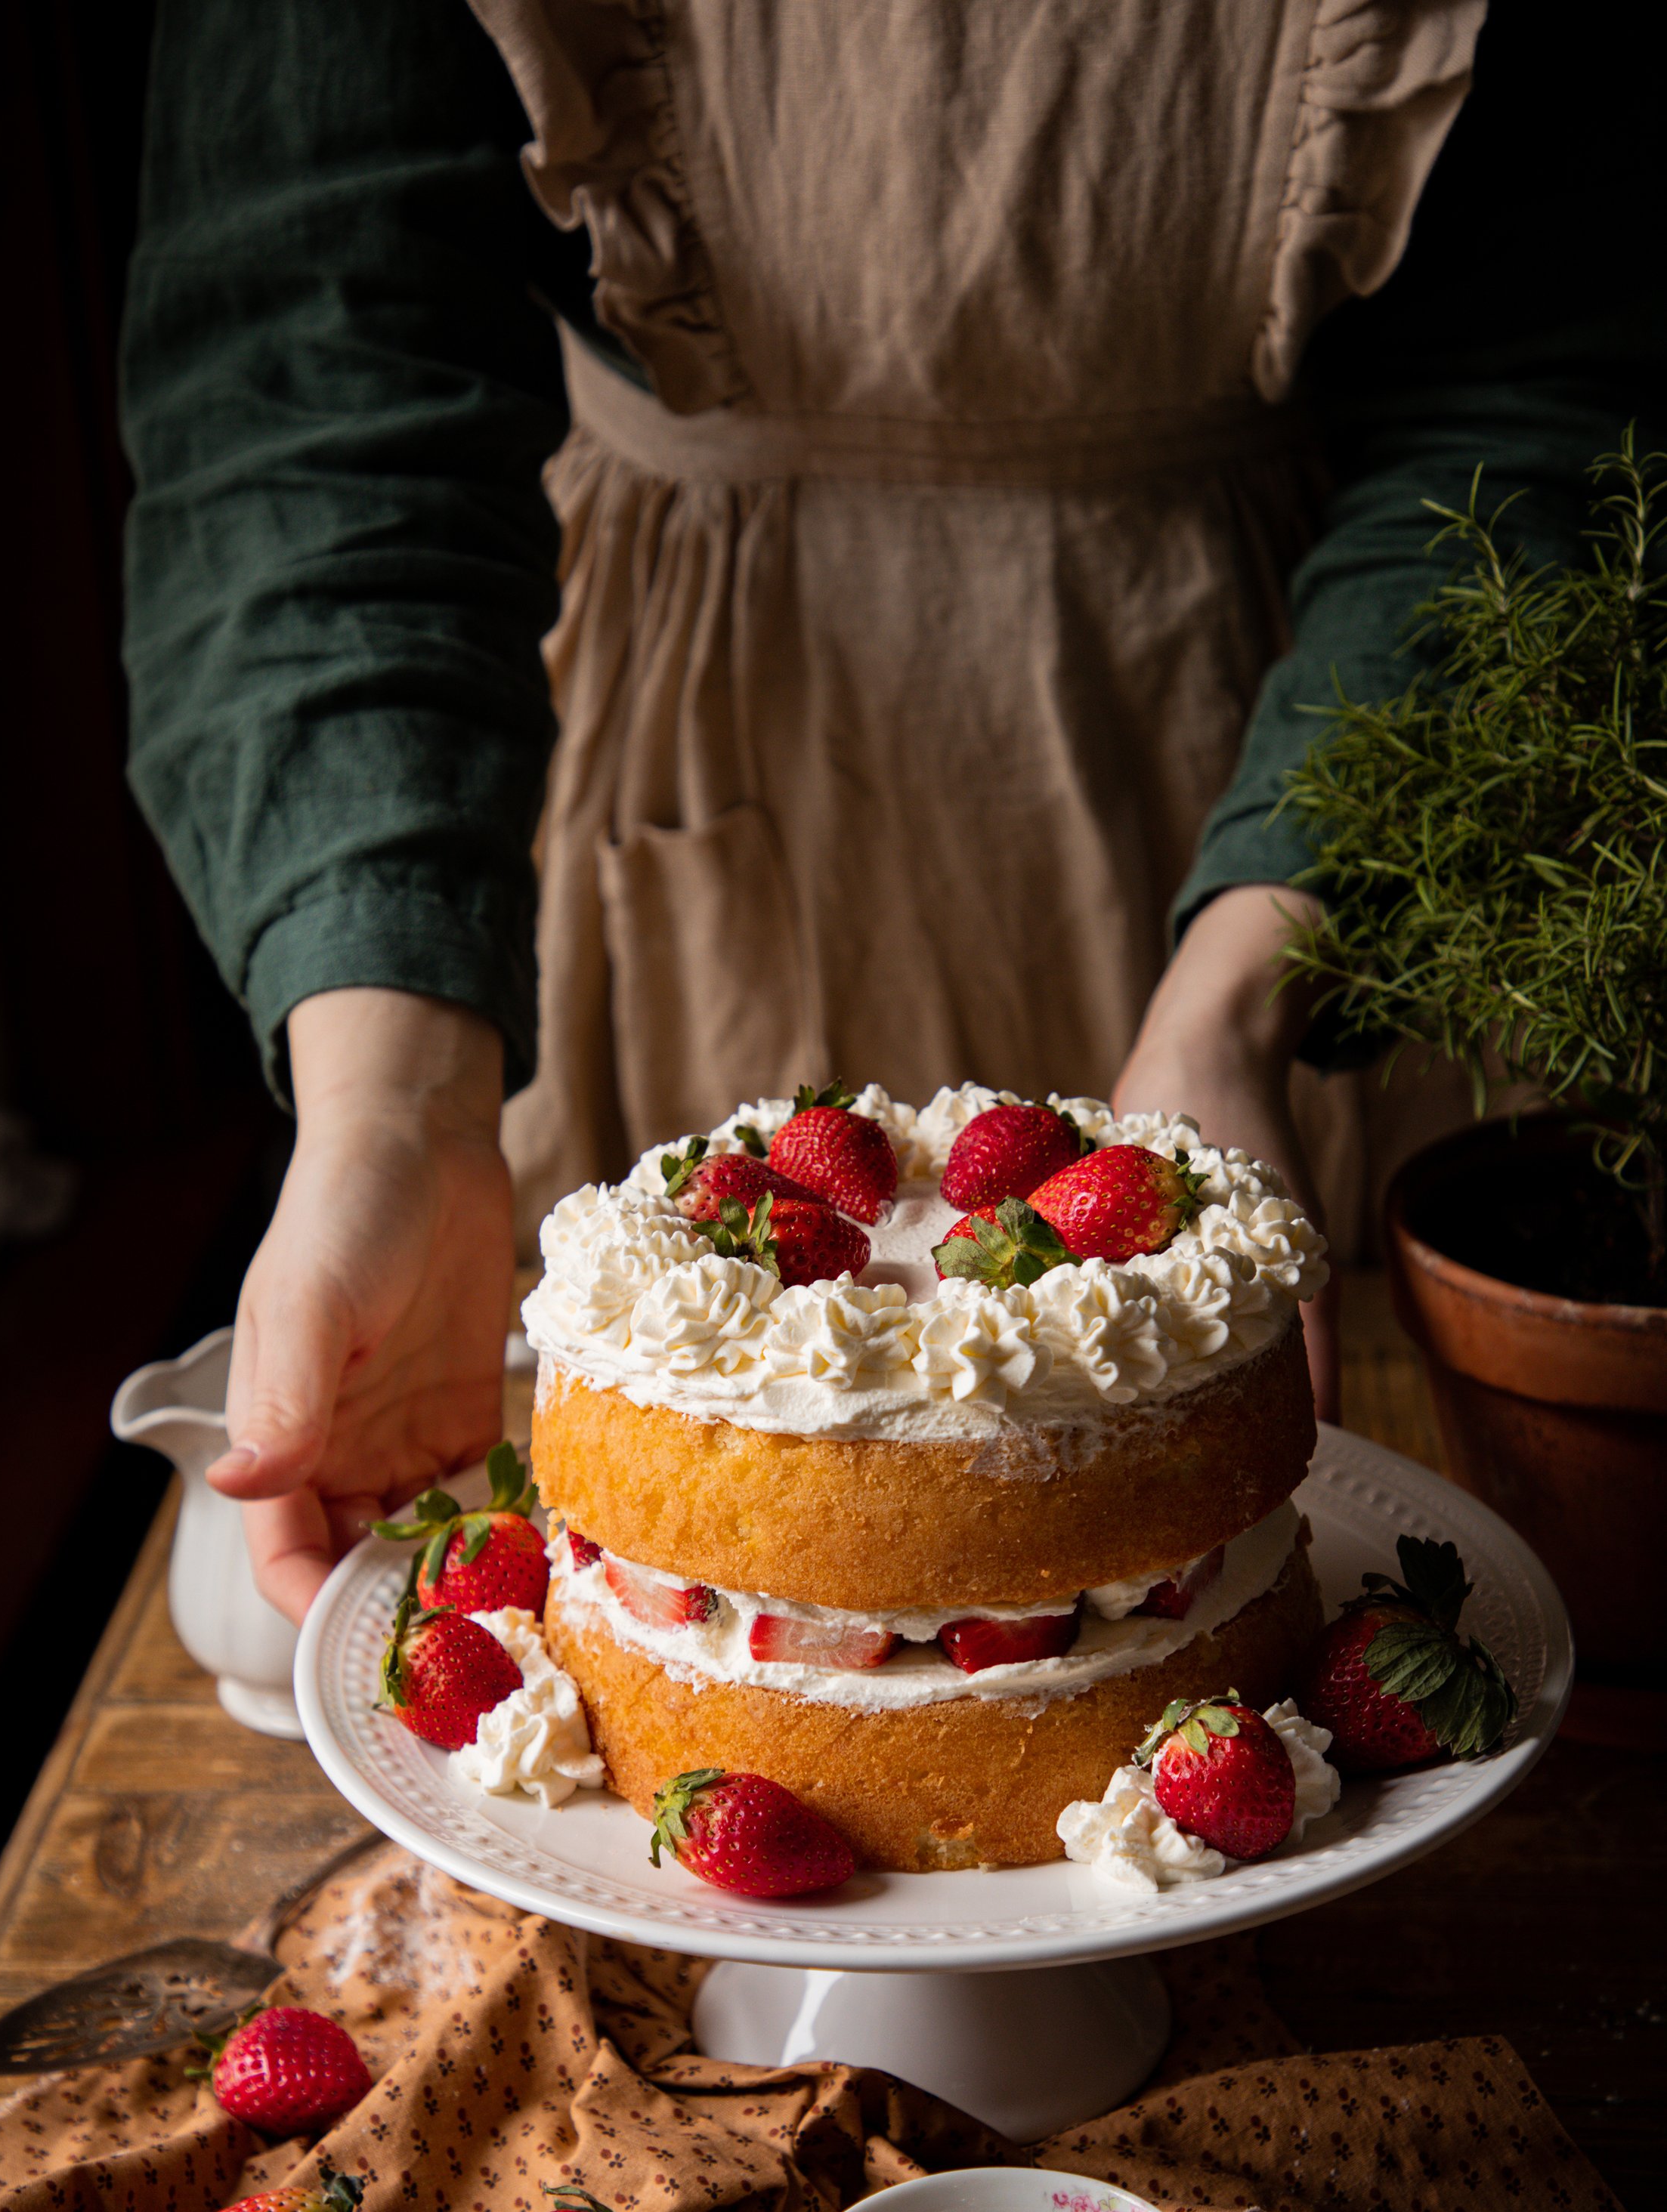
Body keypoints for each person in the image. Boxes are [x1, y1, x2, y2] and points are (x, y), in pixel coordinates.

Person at [119, 0, 1662, 1623]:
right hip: (677, 717)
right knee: (704, 1569)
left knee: (1218, 1584)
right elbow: (306, 373)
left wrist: (1246, 992)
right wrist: (399, 1109)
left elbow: (1558, 375)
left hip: (1290, 732)